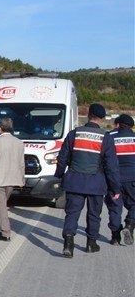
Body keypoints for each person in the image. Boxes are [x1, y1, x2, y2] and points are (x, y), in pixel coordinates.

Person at [55, 103, 121, 257]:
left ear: (89, 115)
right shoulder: (106, 137)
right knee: (94, 214)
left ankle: (68, 244)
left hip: (74, 182)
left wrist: (58, 176)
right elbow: (111, 167)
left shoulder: (74, 134)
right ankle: (91, 243)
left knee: (72, 213)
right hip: (96, 184)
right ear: (103, 118)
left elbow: (62, 158)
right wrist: (115, 188)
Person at [109, 114, 135, 245]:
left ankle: (115, 237)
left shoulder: (110, 137)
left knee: (115, 207)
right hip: (132, 179)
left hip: (114, 180)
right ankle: (129, 225)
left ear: (118, 124)